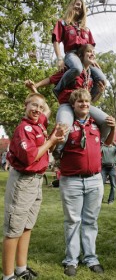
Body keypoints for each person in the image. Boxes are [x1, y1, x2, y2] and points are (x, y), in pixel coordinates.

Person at [2, 92, 67, 280]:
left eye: (40, 106)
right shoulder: (24, 128)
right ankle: (8, 276)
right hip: (23, 181)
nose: (38, 109)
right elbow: (31, 156)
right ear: (25, 105)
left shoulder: (38, 124)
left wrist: (55, 139)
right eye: (33, 105)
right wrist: (52, 141)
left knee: (26, 227)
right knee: (13, 230)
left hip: (36, 181)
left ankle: (21, 269)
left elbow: (47, 109)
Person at [59, 88, 116, 277]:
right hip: (72, 181)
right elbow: (56, 149)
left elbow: (107, 144)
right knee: (73, 221)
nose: (84, 104)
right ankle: (71, 260)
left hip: (94, 180)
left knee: (91, 221)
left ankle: (91, 258)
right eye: (80, 102)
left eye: (86, 102)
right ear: (73, 105)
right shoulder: (66, 125)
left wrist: (114, 128)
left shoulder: (95, 125)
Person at [26, 44, 110, 159]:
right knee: (63, 127)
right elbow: (51, 79)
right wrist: (36, 85)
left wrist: (100, 92)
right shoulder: (72, 70)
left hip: (83, 106)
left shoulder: (91, 78)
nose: (92, 54)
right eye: (89, 52)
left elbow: (93, 100)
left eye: (93, 52)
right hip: (67, 104)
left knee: (108, 122)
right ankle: (58, 154)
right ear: (81, 55)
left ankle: (97, 147)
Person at [52, 0, 106, 97]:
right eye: (77, 4)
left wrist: (93, 60)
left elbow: (91, 48)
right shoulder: (62, 23)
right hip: (72, 54)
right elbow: (56, 40)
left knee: (102, 79)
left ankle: (87, 98)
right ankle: (58, 89)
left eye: (81, 6)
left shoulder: (86, 29)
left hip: (85, 56)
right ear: (72, 5)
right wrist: (60, 59)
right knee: (77, 68)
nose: (79, 7)